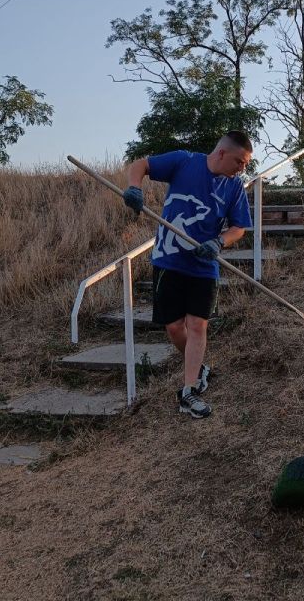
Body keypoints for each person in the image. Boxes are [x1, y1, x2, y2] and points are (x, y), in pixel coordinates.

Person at [122, 131, 253, 419]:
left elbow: (239, 227)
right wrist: (134, 188)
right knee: (173, 327)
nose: (242, 168)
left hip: (204, 266)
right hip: (168, 262)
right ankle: (199, 367)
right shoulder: (184, 162)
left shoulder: (234, 188)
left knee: (197, 326)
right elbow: (141, 165)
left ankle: (188, 391)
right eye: (240, 161)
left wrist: (219, 242)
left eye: (245, 164)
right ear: (221, 153)